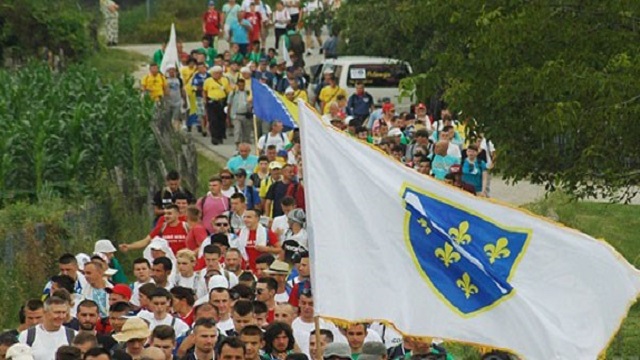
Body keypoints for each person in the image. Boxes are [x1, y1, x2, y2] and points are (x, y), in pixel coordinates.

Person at [121, 205, 189, 256]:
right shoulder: (162, 227)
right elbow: (146, 241)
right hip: (169, 262)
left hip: (184, 261)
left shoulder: (186, 226)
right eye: (165, 213)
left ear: (177, 214)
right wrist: (129, 246)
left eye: (169, 213)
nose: (166, 216)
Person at [204, 66, 233, 145]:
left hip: (222, 102)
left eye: (219, 73)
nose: (218, 74)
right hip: (212, 102)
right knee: (213, 120)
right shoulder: (208, 81)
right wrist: (205, 101)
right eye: (216, 73)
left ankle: (220, 136)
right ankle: (214, 137)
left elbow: (228, 91)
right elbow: (205, 91)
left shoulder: (224, 80)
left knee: (221, 120)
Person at [227, 79, 254, 147]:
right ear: (237, 85)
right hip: (236, 115)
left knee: (247, 132)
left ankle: (245, 144)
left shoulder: (247, 93)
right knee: (237, 130)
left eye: (242, 85)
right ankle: (237, 144)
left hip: (246, 115)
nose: (241, 87)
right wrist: (228, 117)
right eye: (239, 85)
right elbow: (229, 105)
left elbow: (251, 103)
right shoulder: (233, 93)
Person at [165, 66, 187, 131]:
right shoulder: (165, 79)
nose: (172, 72)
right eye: (170, 71)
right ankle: (168, 130)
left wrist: (185, 100)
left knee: (176, 118)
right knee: (168, 117)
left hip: (177, 101)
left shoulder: (179, 80)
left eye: (173, 71)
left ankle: (175, 131)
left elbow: (182, 90)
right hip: (168, 101)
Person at [192, 62, 211, 136]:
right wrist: (198, 88)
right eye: (199, 68)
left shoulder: (209, 76)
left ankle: (208, 127)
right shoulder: (196, 76)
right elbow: (194, 86)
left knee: (208, 113)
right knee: (201, 114)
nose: (201, 69)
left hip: (209, 96)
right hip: (199, 97)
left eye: (202, 67)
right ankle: (203, 129)